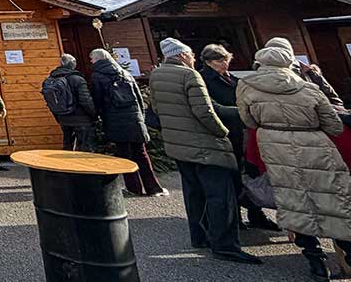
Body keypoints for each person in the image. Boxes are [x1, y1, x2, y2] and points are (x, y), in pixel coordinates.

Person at [238, 41, 351, 282]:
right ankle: (348, 253)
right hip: (315, 146)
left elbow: (247, 120)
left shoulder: (246, 86)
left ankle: (315, 260)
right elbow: (333, 124)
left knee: (294, 200)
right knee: (332, 200)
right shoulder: (308, 88)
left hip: (275, 146)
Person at [147, 38, 260, 264]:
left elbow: (157, 110)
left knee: (194, 193)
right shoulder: (190, 75)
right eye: (190, 54)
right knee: (220, 195)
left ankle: (199, 236)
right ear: (181, 55)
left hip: (178, 145)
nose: (193, 58)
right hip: (204, 145)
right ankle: (225, 245)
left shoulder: (157, 75)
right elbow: (205, 112)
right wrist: (222, 132)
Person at [198, 43, 279, 231]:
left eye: (226, 59)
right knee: (232, 176)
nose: (224, 64)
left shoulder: (231, 78)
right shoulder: (204, 79)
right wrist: (240, 112)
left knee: (250, 173)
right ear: (209, 62)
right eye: (219, 61)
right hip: (225, 131)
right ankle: (235, 217)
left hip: (243, 131)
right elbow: (211, 107)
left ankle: (256, 214)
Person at [89, 48, 166, 197]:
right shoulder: (125, 73)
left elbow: (97, 99)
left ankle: (133, 188)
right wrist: (140, 116)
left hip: (114, 118)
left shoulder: (97, 76)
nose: (91, 62)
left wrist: (97, 115)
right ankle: (154, 187)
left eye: (91, 59)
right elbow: (138, 96)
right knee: (141, 152)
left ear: (96, 60)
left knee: (124, 154)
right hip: (134, 117)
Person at [263, 36, 347, 112]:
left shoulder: (309, 71)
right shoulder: (264, 77)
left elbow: (331, 95)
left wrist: (335, 109)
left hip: (322, 118)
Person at [42, 53, 98, 151]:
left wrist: (58, 117)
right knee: (85, 147)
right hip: (81, 118)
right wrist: (94, 115)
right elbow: (85, 100)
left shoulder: (50, 80)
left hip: (63, 117)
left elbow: (50, 101)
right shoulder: (77, 79)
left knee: (67, 145)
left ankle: (66, 165)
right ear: (74, 64)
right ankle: (84, 165)